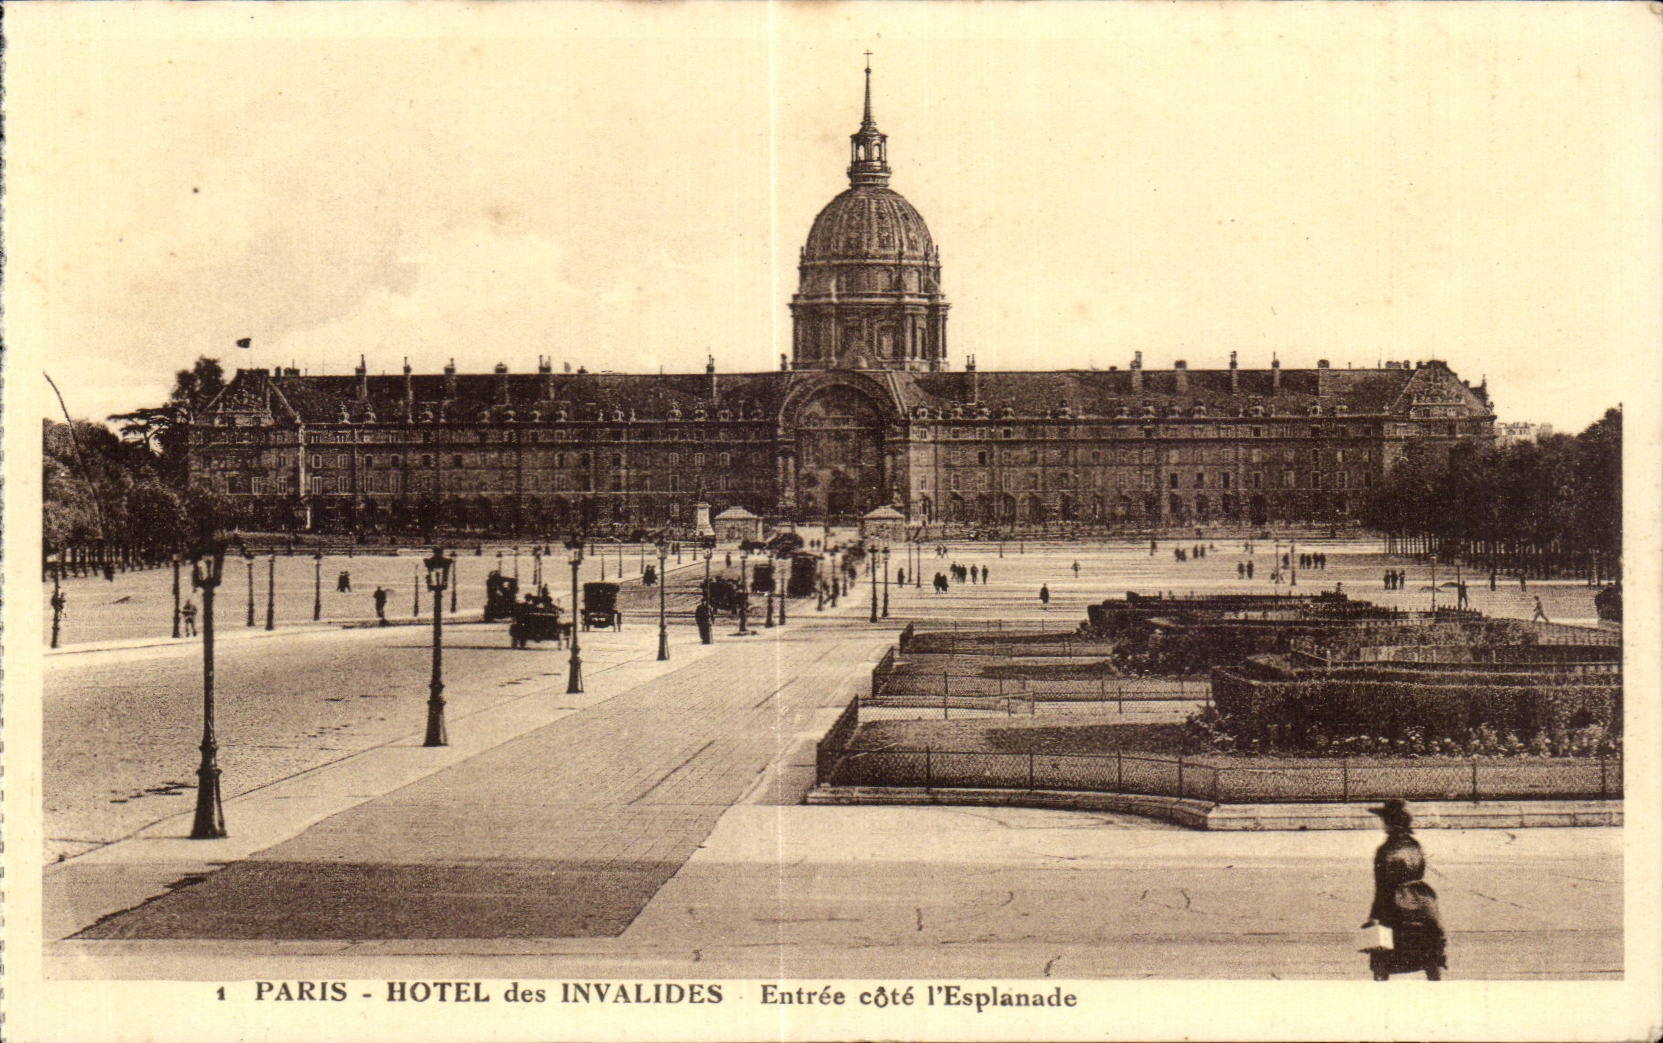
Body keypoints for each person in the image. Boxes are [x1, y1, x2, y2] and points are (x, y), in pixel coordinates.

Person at [1363, 799, 1446, 981]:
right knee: (1430, 945)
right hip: (1422, 898)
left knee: (1382, 950)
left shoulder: (1385, 850)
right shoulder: (1415, 845)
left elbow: (1382, 886)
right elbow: (1421, 869)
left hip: (1396, 901)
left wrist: (1374, 915)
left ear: (1389, 824)